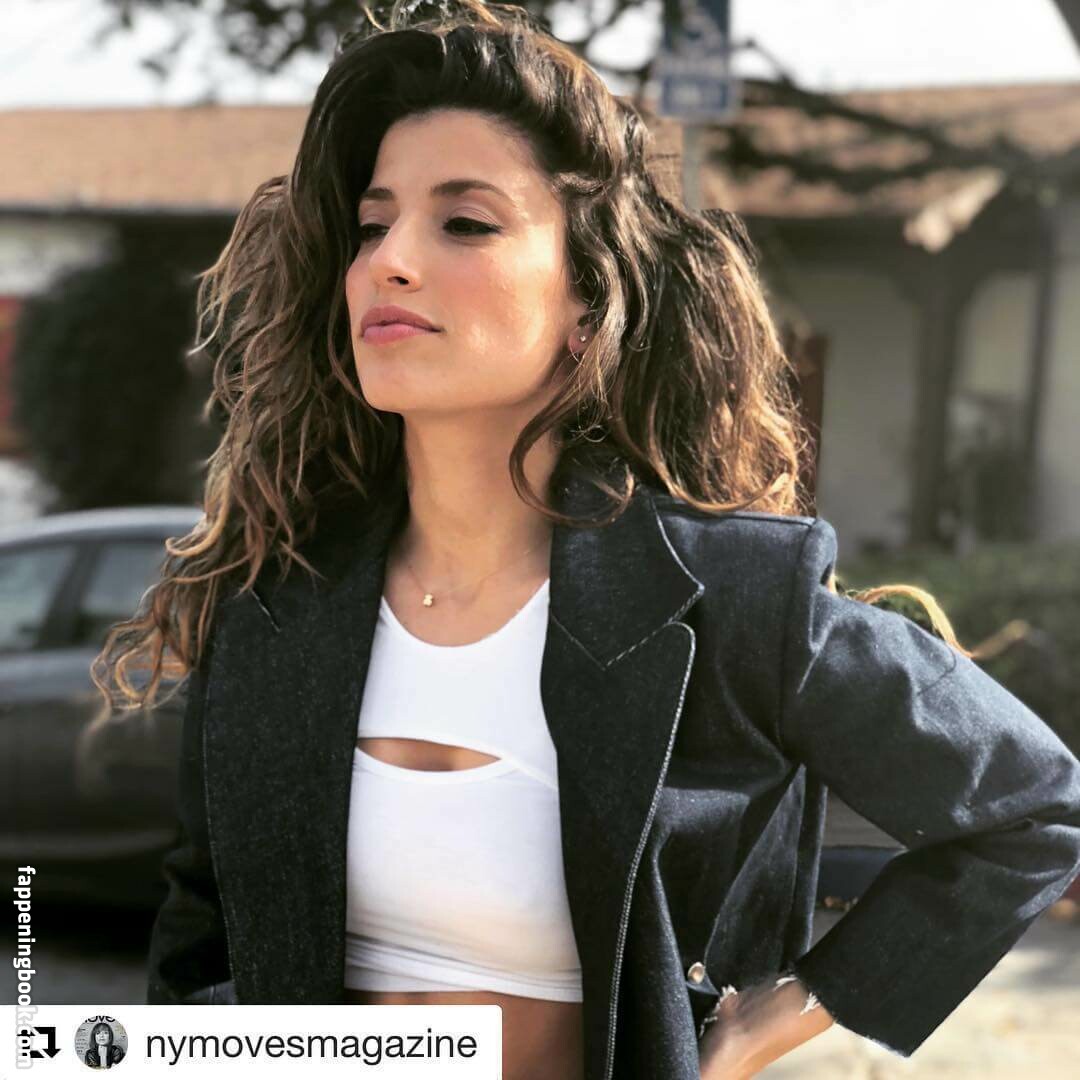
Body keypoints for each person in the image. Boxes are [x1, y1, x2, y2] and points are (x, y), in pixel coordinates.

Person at [92, 3, 1080, 1079]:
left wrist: (779, 1014)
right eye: (373, 226)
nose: (392, 262)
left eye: (465, 224)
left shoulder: (729, 594)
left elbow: (1030, 809)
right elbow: (199, 942)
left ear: (586, 302)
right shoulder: (275, 595)